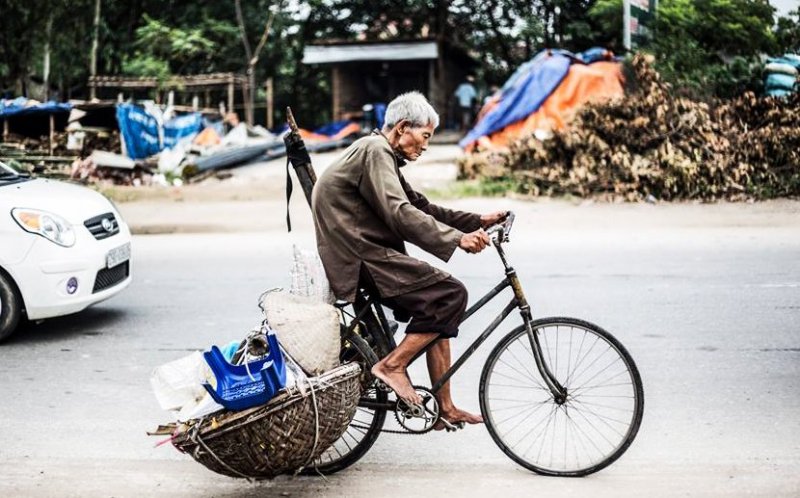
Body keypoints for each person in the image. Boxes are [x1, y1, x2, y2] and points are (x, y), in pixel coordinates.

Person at [312, 91, 507, 429]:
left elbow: (421, 207)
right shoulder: (374, 152)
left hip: (365, 252)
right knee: (450, 294)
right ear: (403, 128)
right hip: (360, 258)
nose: (426, 145)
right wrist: (456, 239)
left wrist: (477, 221)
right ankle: (391, 366)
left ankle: (444, 406)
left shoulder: (380, 152)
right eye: (425, 136)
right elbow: (400, 213)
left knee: (438, 304)